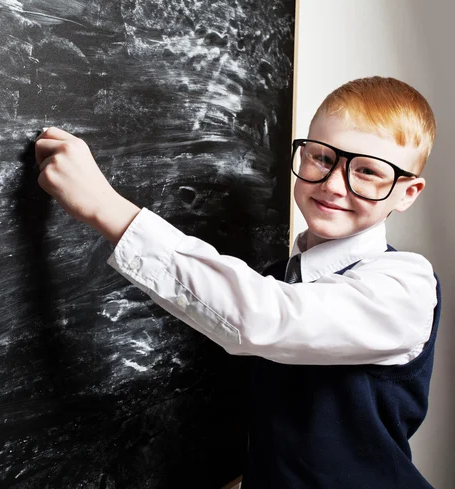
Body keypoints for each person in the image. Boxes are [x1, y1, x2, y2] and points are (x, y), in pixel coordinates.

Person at [33, 76, 440, 488]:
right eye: (321, 157)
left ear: (407, 193)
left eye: (369, 171)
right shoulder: (281, 275)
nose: (334, 184)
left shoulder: (406, 286)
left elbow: (268, 318)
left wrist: (106, 207)